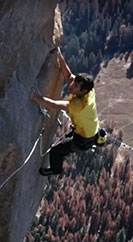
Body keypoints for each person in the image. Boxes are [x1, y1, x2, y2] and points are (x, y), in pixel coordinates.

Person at [30, 48, 99, 176]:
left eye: (76, 86)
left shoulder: (79, 105)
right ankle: (74, 134)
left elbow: (54, 105)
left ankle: (56, 169)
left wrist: (35, 97)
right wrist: (59, 55)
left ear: (83, 91)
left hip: (83, 141)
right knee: (66, 139)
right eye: (75, 83)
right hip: (89, 131)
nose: (72, 85)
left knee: (56, 151)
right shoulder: (89, 90)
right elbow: (68, 76)